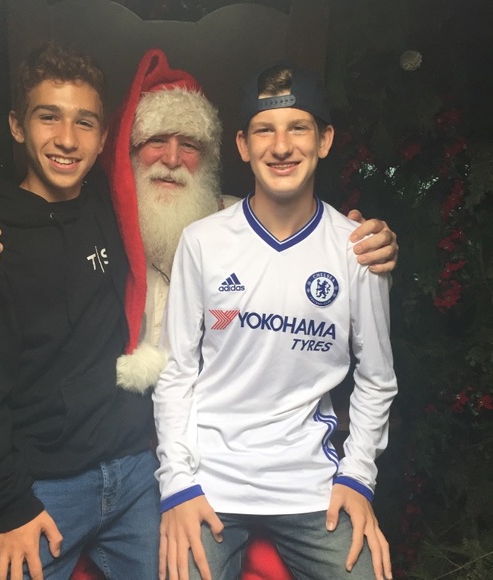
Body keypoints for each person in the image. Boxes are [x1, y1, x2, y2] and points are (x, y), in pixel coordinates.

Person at [0, 49, 398, 580]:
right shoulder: (41, 223)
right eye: (154, 142)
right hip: (80, 474)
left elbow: (292, 235)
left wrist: (364, 241)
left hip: (142, 466)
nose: (170, 159)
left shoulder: (228, 224)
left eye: (189, 145)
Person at [154, 61, 398, 580]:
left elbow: (377, 379)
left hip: (311, 487)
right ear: (243, 145)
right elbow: (176, 373)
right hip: (211, 482)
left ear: (325, 140)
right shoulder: (203, 242)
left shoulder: (358, 249)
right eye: (265, 130)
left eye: (298, 128)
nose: (281, 146)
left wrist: (357, 477)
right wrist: (177, 484)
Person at [0, 43, 161, 580]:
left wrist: (341, 237)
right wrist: (4, 503)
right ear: (17, 125)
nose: (67, 139)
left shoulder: (114, 207)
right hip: (39, 488)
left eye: (85, 122)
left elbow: (203, 212)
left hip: (134, 472)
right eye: (48, 117)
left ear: (103, 137)